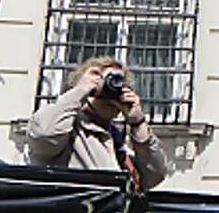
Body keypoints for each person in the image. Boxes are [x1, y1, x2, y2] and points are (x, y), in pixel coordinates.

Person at [21, 57, 170, 189]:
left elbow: (154, 176)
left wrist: (138, 123)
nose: (111, 91)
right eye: (105, 83)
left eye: (119, 84)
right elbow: (44, 136)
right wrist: (80, 90)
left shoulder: (116, 143)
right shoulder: (67, 128)